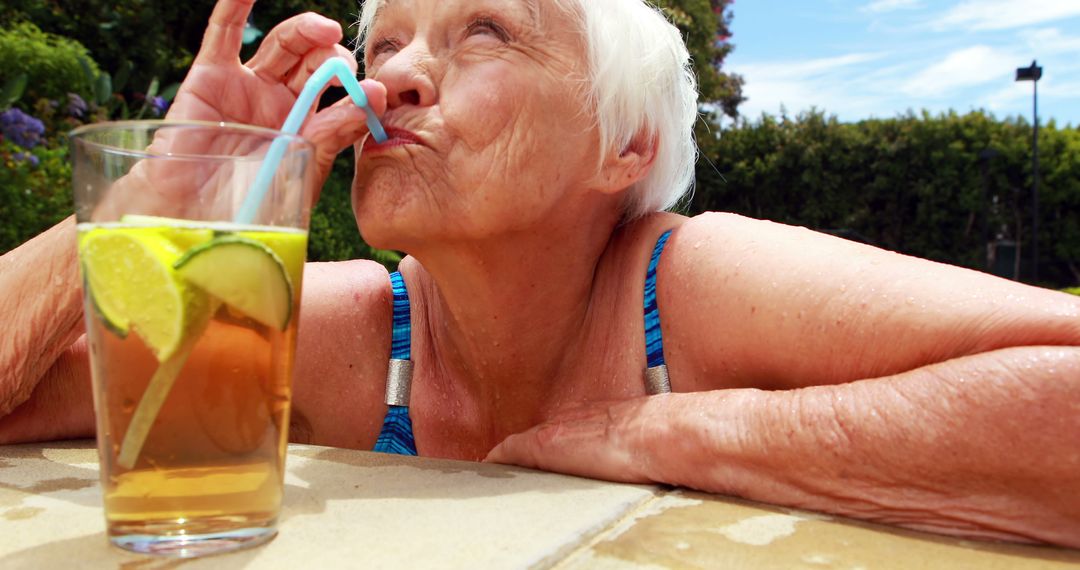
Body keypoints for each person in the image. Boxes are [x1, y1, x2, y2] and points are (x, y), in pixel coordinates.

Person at [1, 0, 1078, 548]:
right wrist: (145, 204)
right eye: (387, 44)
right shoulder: (356, 332)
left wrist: (682, 433)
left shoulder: (691, 278)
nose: (395, 80)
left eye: (486, 34)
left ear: (624, 148)